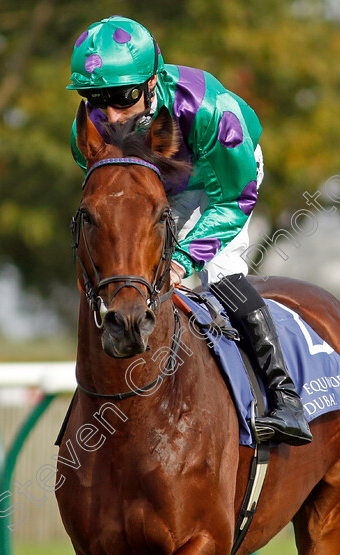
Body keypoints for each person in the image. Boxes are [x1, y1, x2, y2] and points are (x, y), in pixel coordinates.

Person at [68, 16, 312, 446]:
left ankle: (285, 397)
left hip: (222, 180)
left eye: (123, 97)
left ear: (150, 81)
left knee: (218, 272)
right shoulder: (86, 131)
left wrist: (181, 261)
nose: (110, 114)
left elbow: (235, 199)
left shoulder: (211, 111)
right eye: (95, 99)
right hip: (158, 185)